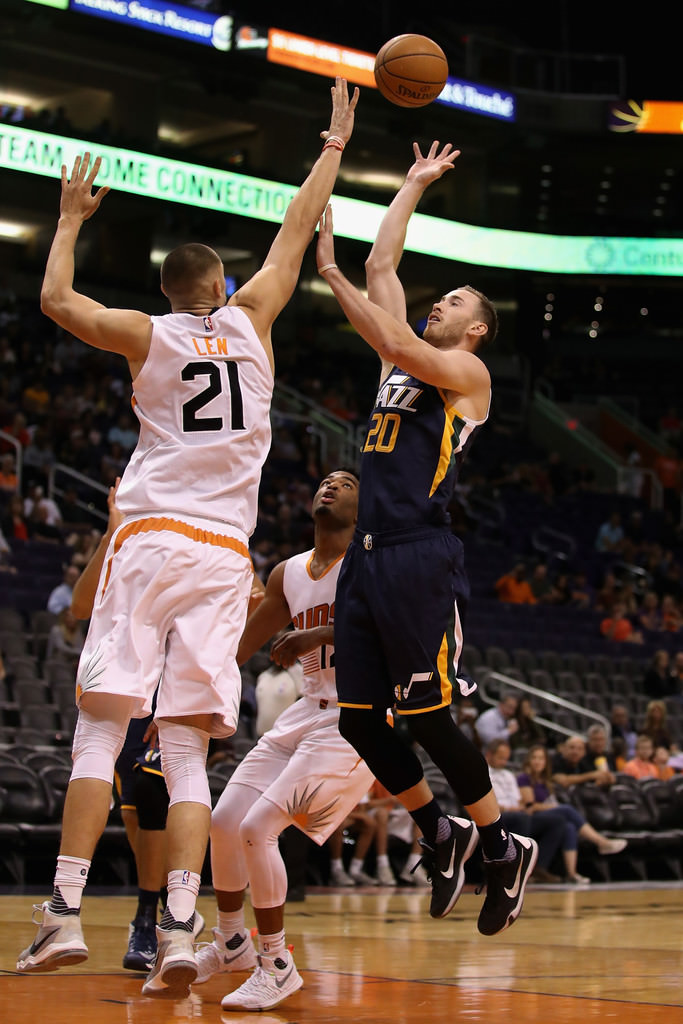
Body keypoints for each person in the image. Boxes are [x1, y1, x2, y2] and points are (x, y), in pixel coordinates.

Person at [16, 78, 360, 999]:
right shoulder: (256, 321)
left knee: (100, 732)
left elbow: (55, 300)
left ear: (169, 292)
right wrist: (330, 144)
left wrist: (67, 218)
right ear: (222, 284)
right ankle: (176, 926)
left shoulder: (146, 333)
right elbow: (295, 230)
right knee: (184, 751)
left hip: (151, 534)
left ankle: (61, 914)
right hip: (225, 556)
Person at [315, 141, 538, 938]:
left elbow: (395, 330)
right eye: (435, 297)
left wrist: (332, 277)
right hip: (366, 558)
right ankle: (438, 832)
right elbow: (384, 269)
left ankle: (500, 845)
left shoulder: (465, 380)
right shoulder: (398, 367)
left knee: (431, 715)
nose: (434, 305)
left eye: (451, 303)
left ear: (475, 331)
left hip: (417, 552)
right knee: (358, 720)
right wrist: (409, 185)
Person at [192, 469, 378, 1012]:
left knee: (258, 827)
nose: (331, 486)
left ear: (363, 508)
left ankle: (276, 962)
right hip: (305, 710)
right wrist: (194, 698)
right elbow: (241, 646)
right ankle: (231, 942)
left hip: (356, 718)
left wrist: (320, 633)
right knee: (224, 822)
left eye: (346, 482)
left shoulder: (372, 564)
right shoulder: (289, 573)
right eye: (324, 481)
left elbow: (394, 630)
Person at [517, 744, 627, 884]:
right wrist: (554, 807)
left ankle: (572, 874)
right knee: (566, 810)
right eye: (534, 758)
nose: (538, 762)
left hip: (549, 819)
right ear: (528, 761)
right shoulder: (523, 778)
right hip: (529, 819)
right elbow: (530, 806)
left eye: (541, 758)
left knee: (568, 826)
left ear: (546, 762)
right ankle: (601, 842)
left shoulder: (546, 782)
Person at [551, 735, 616, 789]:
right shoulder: (555, 760)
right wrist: (592, 775)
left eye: (580, 749)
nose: (575, 752)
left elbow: (595, 782)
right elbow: (563, 781)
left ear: (584, 752)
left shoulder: (584, 762)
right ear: (564, 749)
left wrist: (607, 780)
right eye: (571, 747)